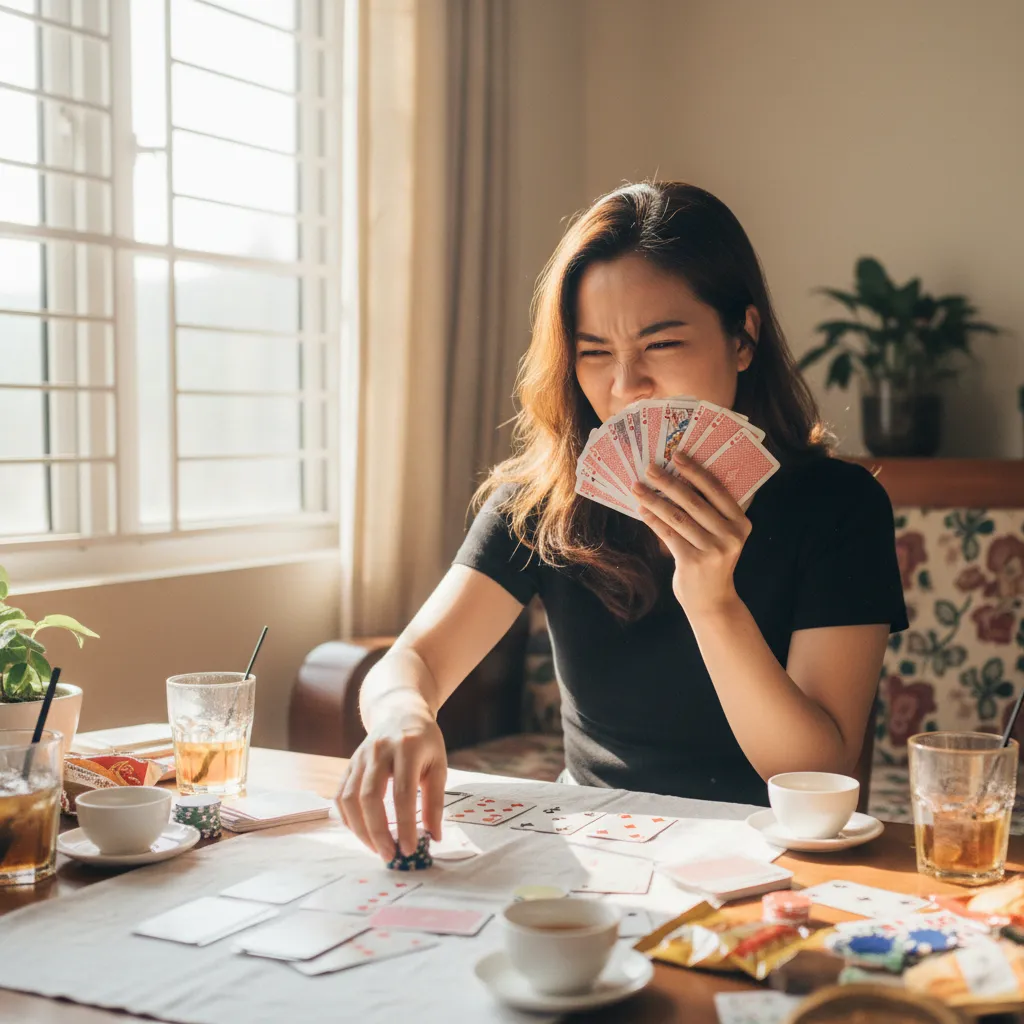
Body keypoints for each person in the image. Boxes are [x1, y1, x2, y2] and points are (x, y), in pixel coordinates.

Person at [337, 181, 908, 860]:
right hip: (593, 850)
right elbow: (413, 661)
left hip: (767, 858)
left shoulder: (839, 506)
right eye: (595, 352)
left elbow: (816, 771)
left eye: (660, 345)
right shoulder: (544, 500)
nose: (626, 386)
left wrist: (714, 604)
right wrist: (404, 715)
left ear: (743, 336)